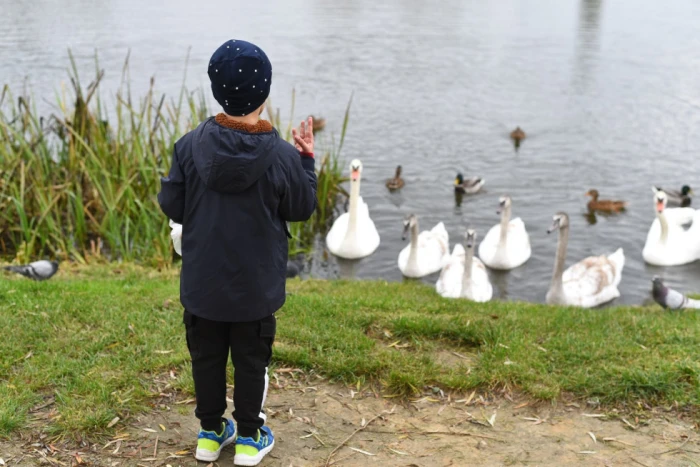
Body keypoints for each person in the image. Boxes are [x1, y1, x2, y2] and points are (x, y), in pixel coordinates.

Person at [157, 38, 317, 466]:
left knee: (205, 358)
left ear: (216, 90)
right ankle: (249, 437)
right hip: (255, 290)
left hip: (202, 285)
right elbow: (301, 208)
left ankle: (210, 435)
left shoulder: (188, 146)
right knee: (252, 361)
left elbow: (172, 205)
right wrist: (306, 163)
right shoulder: (283, 156)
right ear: (264, 93)